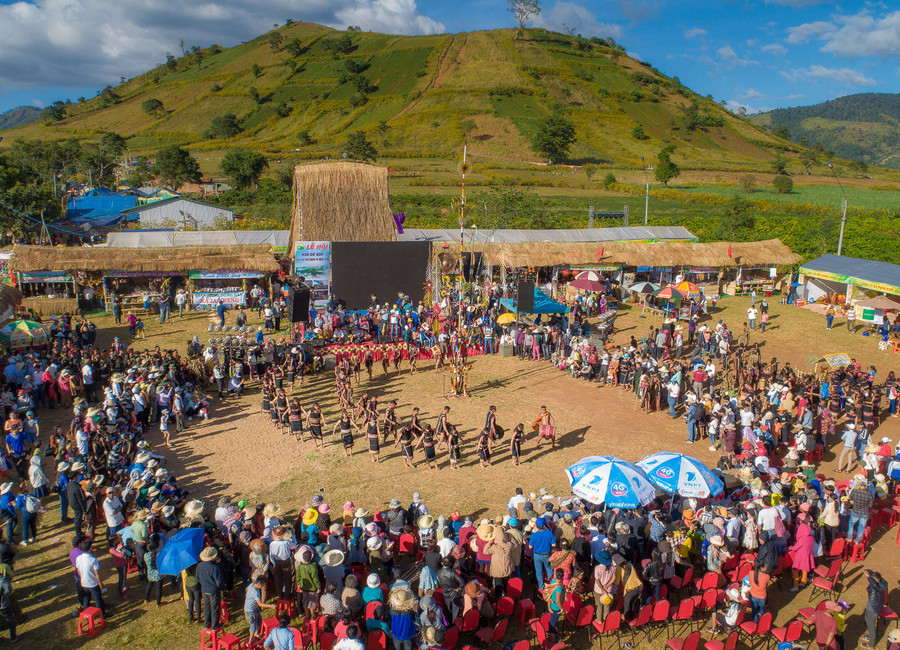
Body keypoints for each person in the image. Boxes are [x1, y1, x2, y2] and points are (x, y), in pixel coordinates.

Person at [196, 546, 226, 630]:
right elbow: (219, 582)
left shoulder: (199, 566)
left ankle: (206, 624)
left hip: (204, 589)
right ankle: (215, 625)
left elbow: (197, 578)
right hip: (213, 591)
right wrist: (222, 587)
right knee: (215, 608)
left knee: (206, 606)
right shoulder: (215, 568)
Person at [75, 538, 105, 616]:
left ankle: (86, 613)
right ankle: (101, 614)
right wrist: (100, 583)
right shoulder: (93, 559)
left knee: (86, 598)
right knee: (98, 599)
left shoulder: (78, 558)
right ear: (90, 548)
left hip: (84, 582)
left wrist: (82, 578)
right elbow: (97, 573)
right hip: (93, 583)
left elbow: (78, 570)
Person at [862, 569, 887, 650]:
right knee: (868, 621)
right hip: (871, 607)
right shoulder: (882, 582)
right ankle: (871, 638)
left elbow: (875, 586)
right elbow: (873, 576)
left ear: (876, 580)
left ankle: (871, 645)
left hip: (872, 609)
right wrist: (868, 571)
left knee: (871, 626)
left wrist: (869, 577)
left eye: (872, 579)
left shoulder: (878, 587)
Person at [528, 517, 555, 591]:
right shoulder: (549, 533)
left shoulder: (534, 535)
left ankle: (541, 587)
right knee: (549, 569)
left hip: (537, 555)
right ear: (544, 525)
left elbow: (530, 546)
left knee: (539, 571)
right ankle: (551, 584)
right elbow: (554, 545)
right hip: (547, 554)